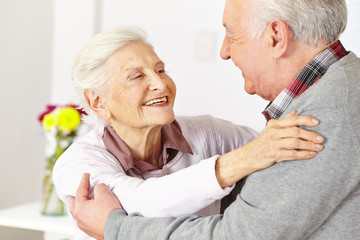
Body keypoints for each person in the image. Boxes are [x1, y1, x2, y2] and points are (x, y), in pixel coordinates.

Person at [69, 0, 360, 239]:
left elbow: (238, 234)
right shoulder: (79, 163)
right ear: (97, 101)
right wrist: (244, 159)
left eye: (232, 35)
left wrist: (115, 227)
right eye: (136, 77)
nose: (224, 51)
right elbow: (139, 201)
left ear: (276, 36)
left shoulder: (317, 120)